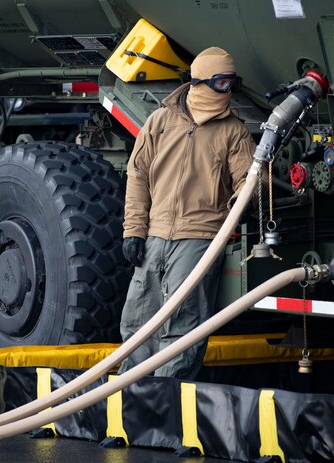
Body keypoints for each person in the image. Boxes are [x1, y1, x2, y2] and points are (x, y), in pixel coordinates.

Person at [119, 47, 256, 380]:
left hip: (199, 237)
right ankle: (129, 406)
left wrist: (246, 200)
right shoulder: (160, 122)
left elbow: (251, 179)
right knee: (137, 319)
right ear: (201, 81)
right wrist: (134, 231)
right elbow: (138, 176)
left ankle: (164, 408)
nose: (227, 91)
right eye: (221, 83)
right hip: (155, 235)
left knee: (181, 324)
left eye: (231, 83)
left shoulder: (233, 132)